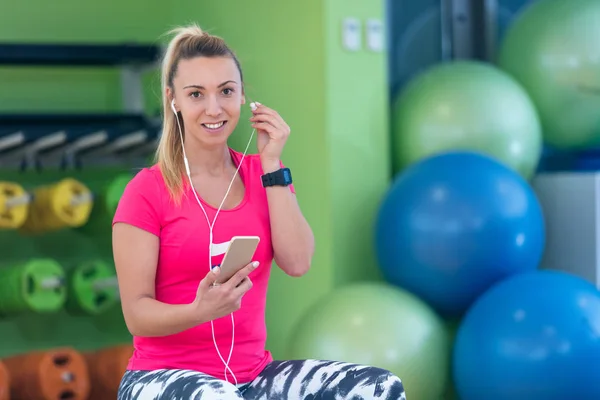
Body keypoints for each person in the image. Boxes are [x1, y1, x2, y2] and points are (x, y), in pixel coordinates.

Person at [112, 23, 407, 400]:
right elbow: (136, 315)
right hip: (159, 379)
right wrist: (200, 310)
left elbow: (298, 261)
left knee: (378, 388)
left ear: (242, 97)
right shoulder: (147, 191)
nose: (213, 108)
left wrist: (272, 164)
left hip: (251, 377)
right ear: (173, 99)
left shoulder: (263, 174)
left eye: (226, 91)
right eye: (196, 94)